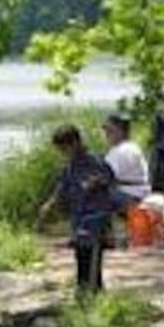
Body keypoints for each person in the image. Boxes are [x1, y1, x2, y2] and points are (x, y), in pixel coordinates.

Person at [37, 124, 115, 294]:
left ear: (75, 143)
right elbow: (62, 188)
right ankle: (83, 296)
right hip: (79, 224)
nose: (63, 153)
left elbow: (108, 182)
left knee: (93, 267)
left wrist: (95, 183)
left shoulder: (95, 162)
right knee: (81, 262)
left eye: (65, 148)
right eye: (61, 150)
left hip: (95, 224)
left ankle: (96, 300)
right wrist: (49, 204)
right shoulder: (70, 167)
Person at [102, 113, 152, 209]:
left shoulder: (124, 150)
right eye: (106, 131)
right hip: (134, 194)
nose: (107, 134)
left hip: (131, 196)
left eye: (110, 130)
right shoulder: (127, 147)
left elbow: (107, 175)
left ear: (120, 131)